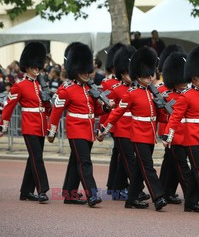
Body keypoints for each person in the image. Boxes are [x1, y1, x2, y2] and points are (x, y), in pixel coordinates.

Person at [99, 47, 168, 211]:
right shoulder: (131, 93)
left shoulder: (152, 93)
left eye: (150, 75)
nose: (149, 78)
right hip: (138, 134)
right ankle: (158, 196)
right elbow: (117, 112)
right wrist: (105, 128)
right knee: (148, 166)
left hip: (150, 134)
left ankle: (131, 199)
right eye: (146, 76)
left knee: (138, 168)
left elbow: (160, 116)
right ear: (138, 75)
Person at [48, 43, 112, 207]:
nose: (86, 74)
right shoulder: (66, 89)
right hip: (76, 129)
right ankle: (92, 194)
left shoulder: (90, 88)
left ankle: (69, 194)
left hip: (88, 129)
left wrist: (106, 107)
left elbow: (97, 111)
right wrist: (52, 130)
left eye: (87, 70)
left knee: (75, 161)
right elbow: (56, 111)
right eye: (82, 71)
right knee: (85, 162)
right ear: (75, 70)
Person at [161, 45, 199, 215]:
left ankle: (190, 202)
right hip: (192, 138)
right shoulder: (186, 96)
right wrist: (169, 135)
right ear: (193, 77)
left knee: (197, 172)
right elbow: (175, 117)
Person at [0, 42, 50, 203]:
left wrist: (48, 99)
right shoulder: (19, 86)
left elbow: (46, 107)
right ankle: (43, 190)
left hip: (41, 125)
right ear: (27, 67)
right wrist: (3, 125)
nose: (37, 69)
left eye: (38, 67)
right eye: (34, 67)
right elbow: (9, 107)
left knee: (34, 158)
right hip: (29, 126)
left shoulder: (41, 85)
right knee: (37, 158)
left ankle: (26, 191)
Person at [100, 43, 129, 198]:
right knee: (121, 156)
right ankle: (118, 187)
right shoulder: (107, 83)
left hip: (125, 124)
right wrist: (105, 127)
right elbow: (106, 107)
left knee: (118, 155)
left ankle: (113, 185)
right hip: (115, 124)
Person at [156, 44, 184, 204]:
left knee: (171, 161)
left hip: (182, 129)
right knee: (172, 160)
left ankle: (167, 190)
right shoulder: (162, 90)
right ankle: (164, 191)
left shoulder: (183, 91)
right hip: (168, 129)